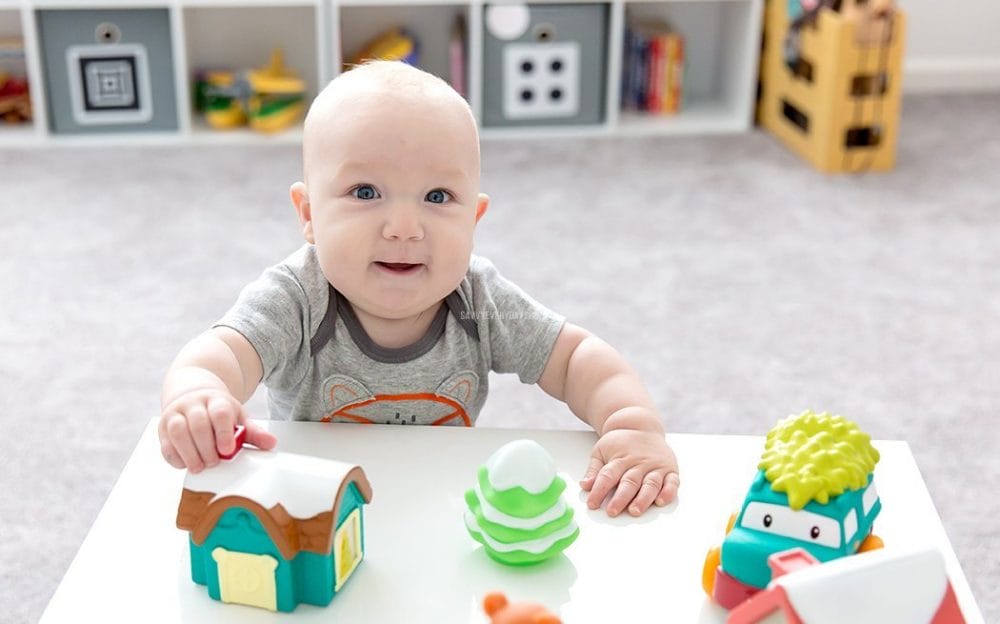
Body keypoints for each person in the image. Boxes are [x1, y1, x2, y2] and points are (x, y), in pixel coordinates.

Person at [158, 60, 679, 517]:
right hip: (313, 510)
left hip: (442, 503)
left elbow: (577, 358)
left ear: (474, 219)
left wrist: (632, 426)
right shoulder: (297, 298)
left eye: (437, 195)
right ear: (309, 214)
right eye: (366, 192)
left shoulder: (478, 299)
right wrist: (199, 396)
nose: (404, 227)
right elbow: (219, 354)